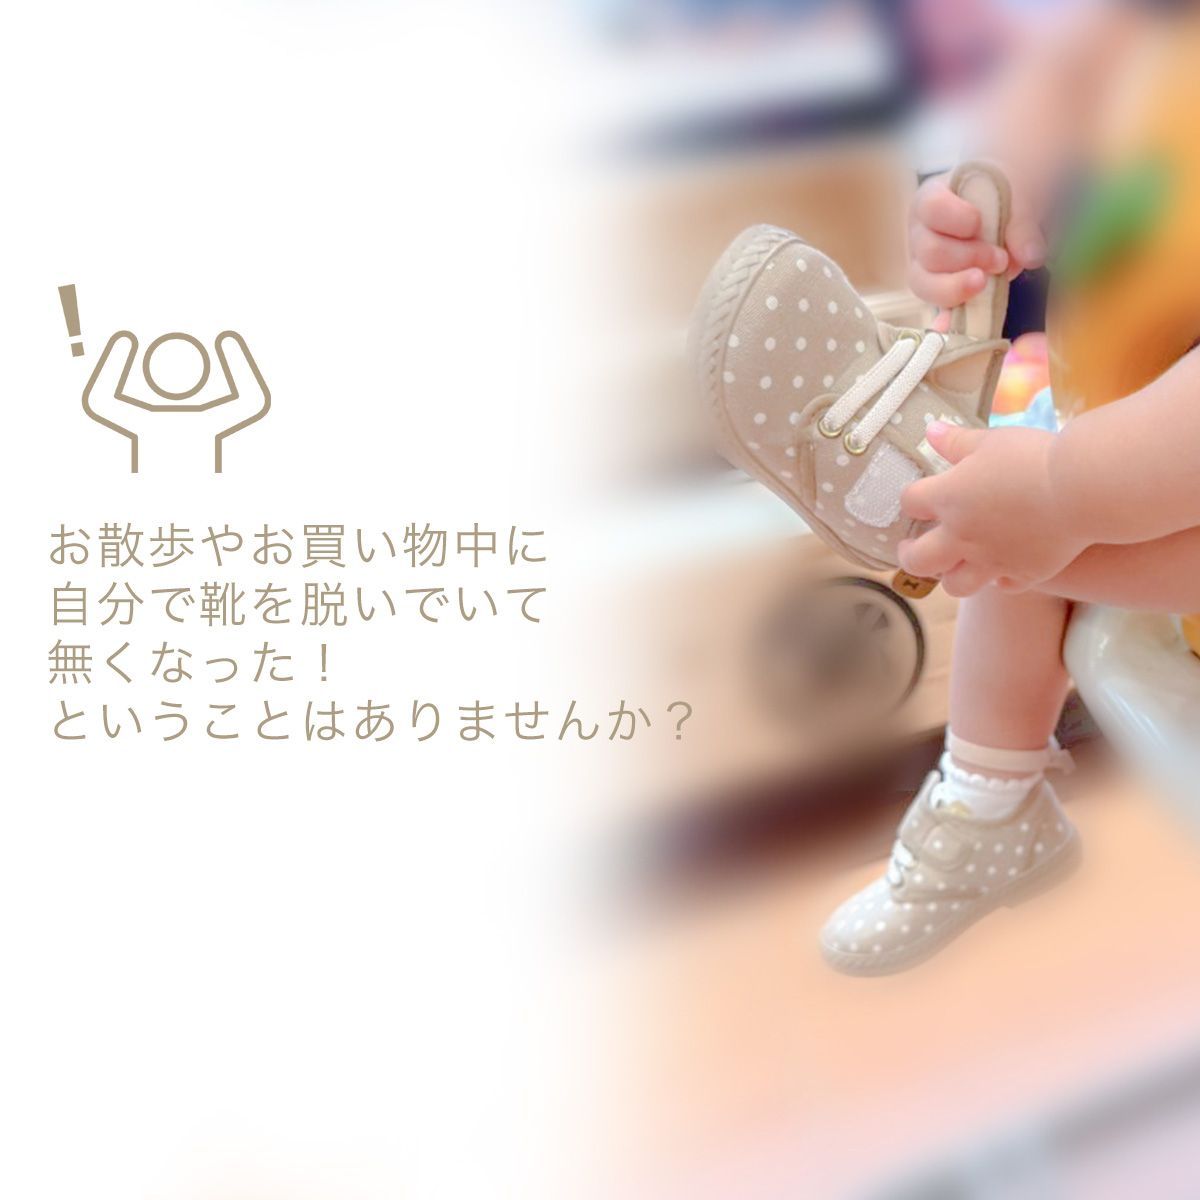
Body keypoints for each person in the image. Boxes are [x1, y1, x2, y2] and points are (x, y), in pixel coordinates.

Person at [821, 0, 1200, 974]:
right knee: (1009, 488)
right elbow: (1065, 80)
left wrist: (1066, 494)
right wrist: (986, 200)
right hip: (1130, 463)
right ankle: (990, 801)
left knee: (1023, 505)